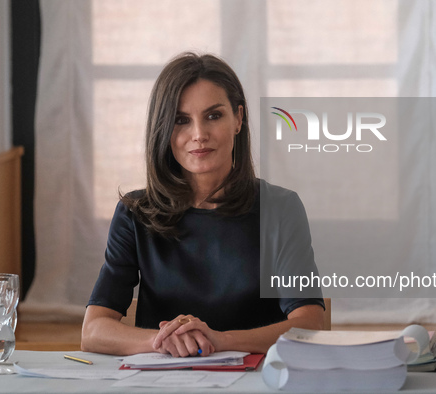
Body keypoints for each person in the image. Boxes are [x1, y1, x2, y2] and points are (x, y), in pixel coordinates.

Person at [81, 52, 325, 357]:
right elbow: (93, 331)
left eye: (213, 115)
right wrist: (163, 341)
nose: (199, 135)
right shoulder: (135, 213)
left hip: (258, 379)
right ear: (164, 130)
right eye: (181, 120)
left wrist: (220, 340)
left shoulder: (281, 209)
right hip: (162, 381)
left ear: (238, 119)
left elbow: (311, 324)